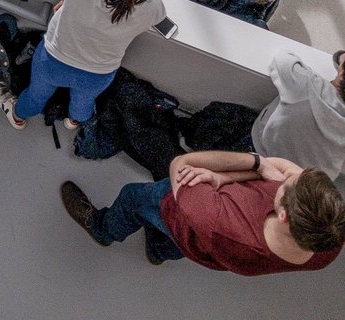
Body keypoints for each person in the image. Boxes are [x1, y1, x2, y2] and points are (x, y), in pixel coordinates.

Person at [60, 153, 344, 273]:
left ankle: (103, 229)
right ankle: (157, 250)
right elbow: (280, 167)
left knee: (133, 197)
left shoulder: (214, 218)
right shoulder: (328, 238)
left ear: (283, 216)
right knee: (182, 244)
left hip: (185, 216)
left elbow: (181, 164)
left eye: (289, 181)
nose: (289, 172)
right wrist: (223, 178)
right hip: (205, 246)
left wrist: (256, 162)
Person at [7, 0, 165, 129]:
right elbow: (154, 15)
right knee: (83, 102)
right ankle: (73, 121)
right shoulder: (152, 4)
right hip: (99, 72)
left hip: (55, 59)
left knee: (36, 94)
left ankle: (18, 116)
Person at [252, 50, 345, 188]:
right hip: (301, 188)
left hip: (261, 154)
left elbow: (282, 58)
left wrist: (340, 59)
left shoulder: (307, 85)